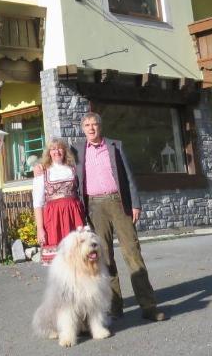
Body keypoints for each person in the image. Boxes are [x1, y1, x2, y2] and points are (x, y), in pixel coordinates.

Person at [75, 111, 166, 322]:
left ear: (100, 126)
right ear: (83, 129)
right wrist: (40, 168)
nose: (91, 128)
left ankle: (148, 306)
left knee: (132, 252)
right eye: (87, 125)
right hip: (94, 206)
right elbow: (58, 161)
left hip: (118, 201)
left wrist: (135, 202)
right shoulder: (77, 150)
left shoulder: (115, 146)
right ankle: (114, 307)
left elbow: (128, 175)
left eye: (94, 124)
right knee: (104, 258)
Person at [32, 138, 88, 265]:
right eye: (53, 149)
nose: (56, 151)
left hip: (74, 216)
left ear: (65, 151)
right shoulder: (43, 172)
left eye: (59, 148)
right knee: (59, 264)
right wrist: (40, 228)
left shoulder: (73, 169)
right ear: (48, 153)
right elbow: (38, 203)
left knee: (79, 259)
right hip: (54, 219)